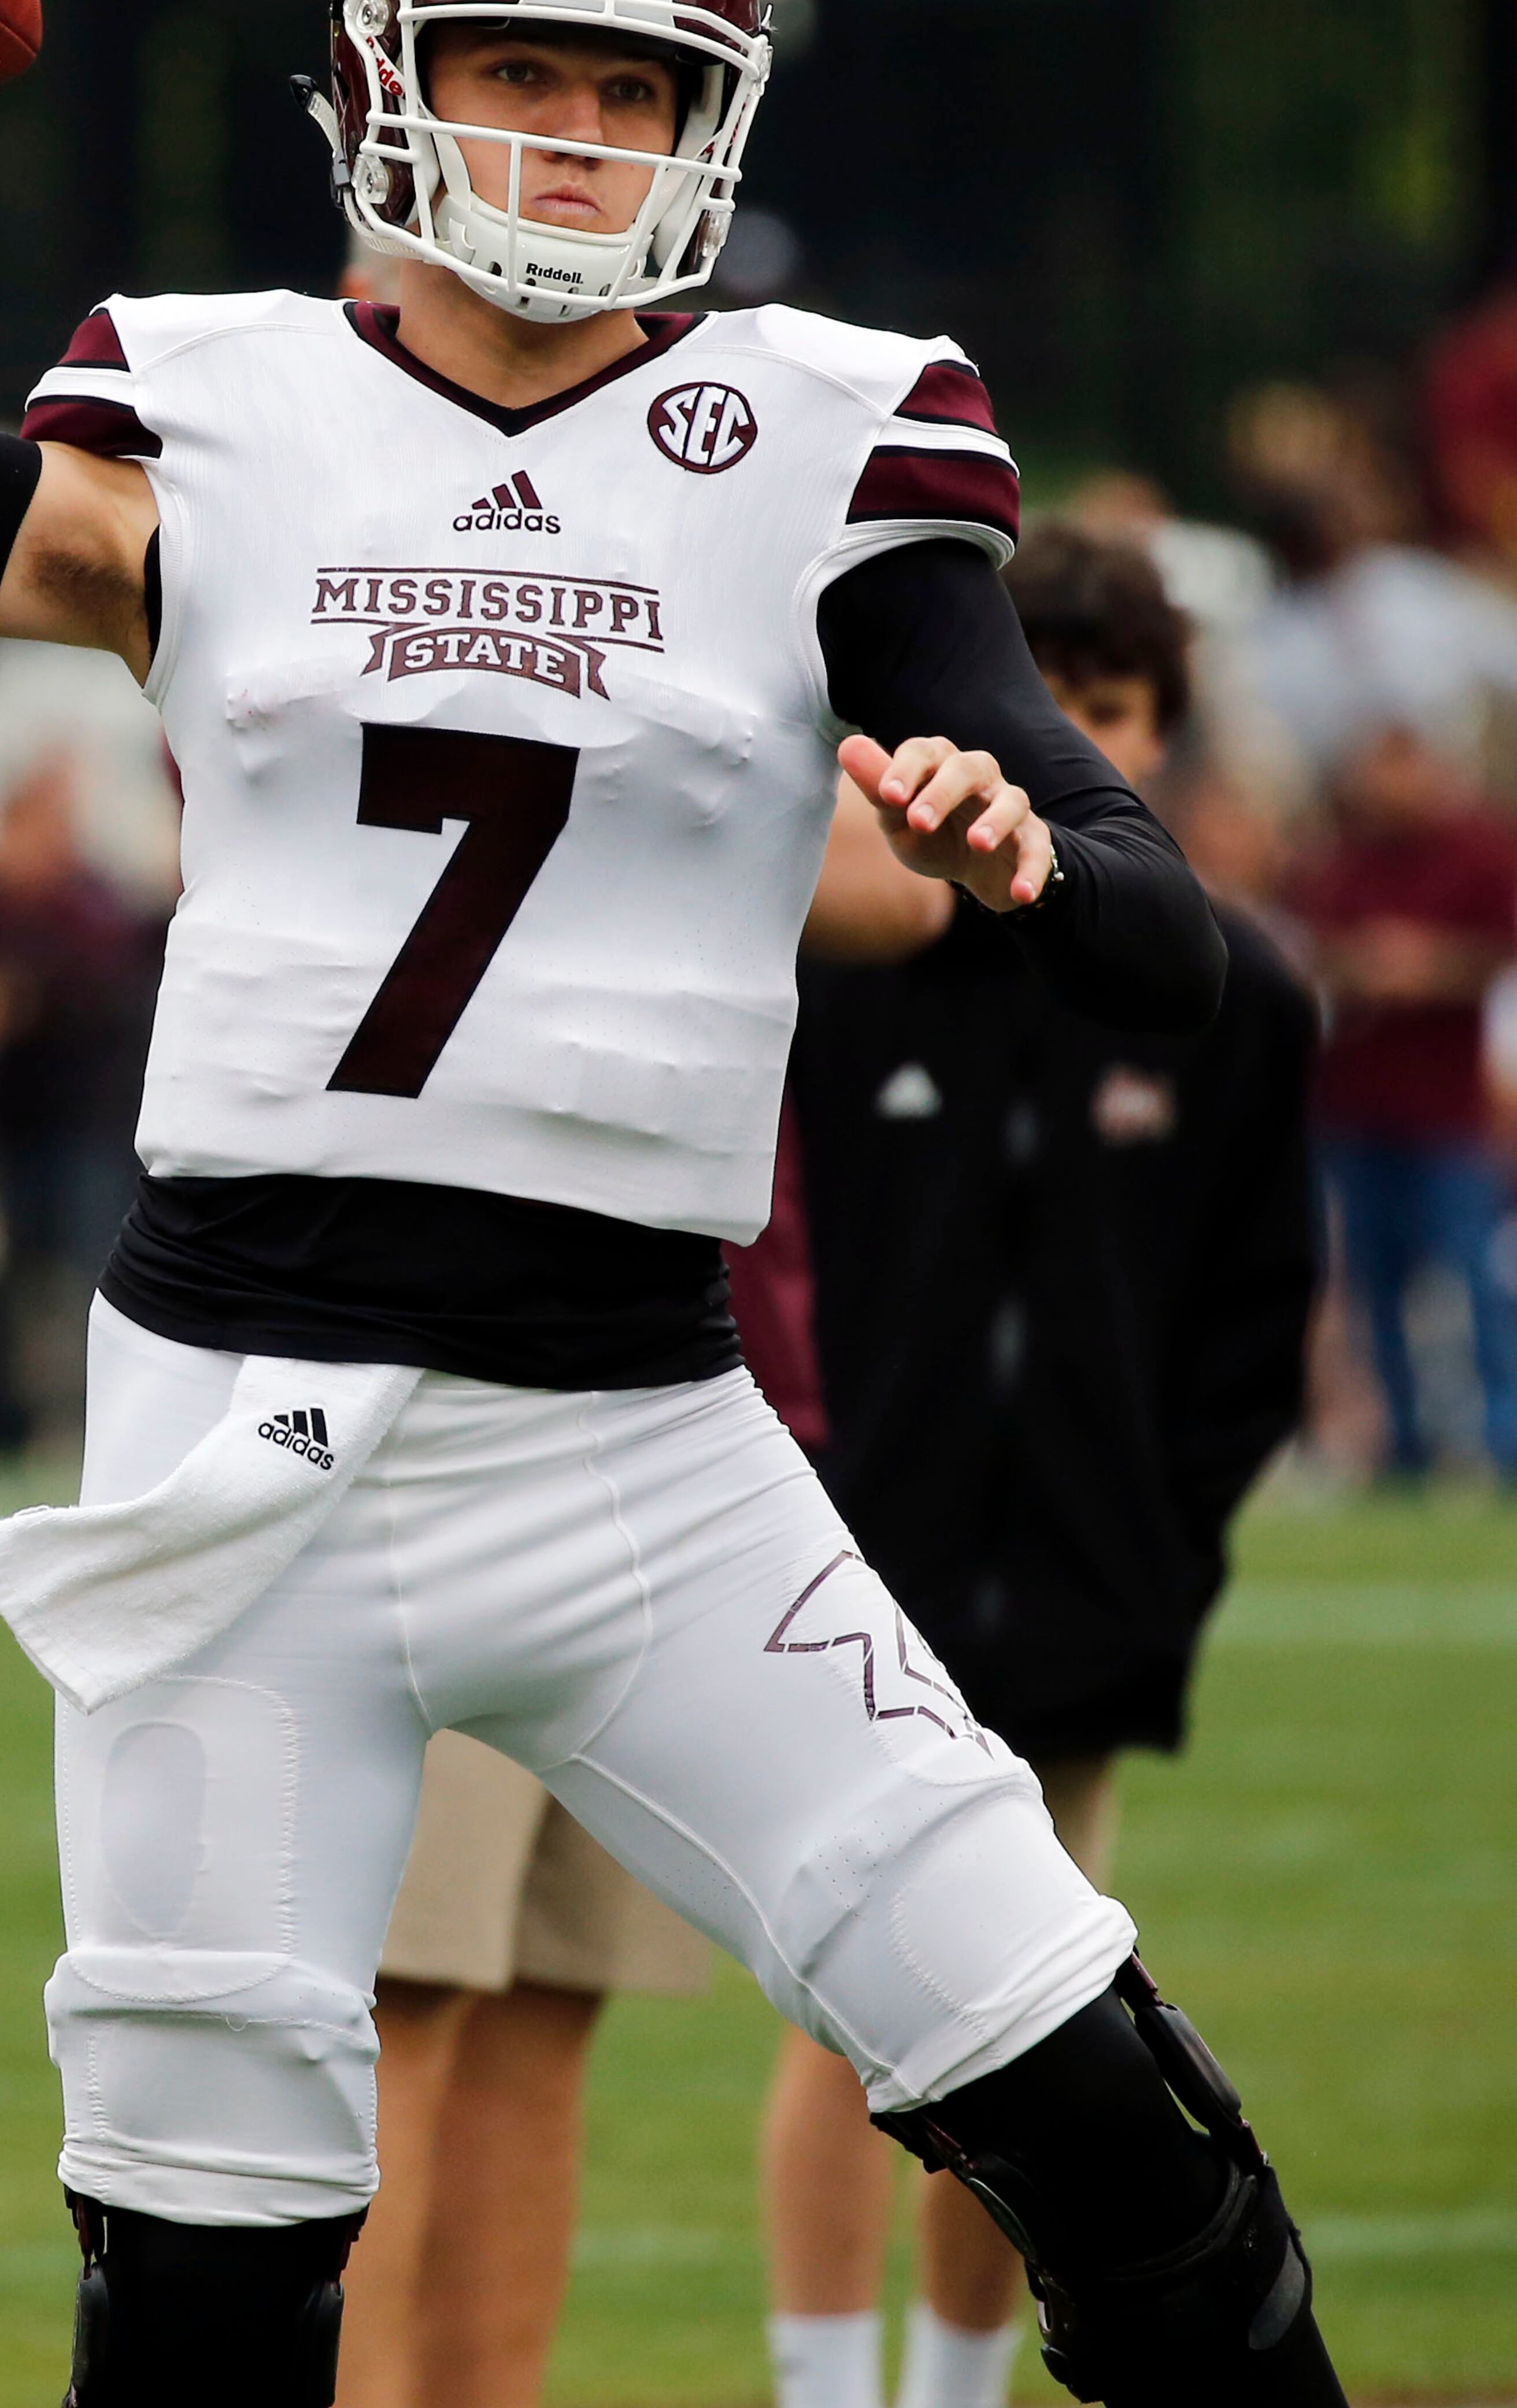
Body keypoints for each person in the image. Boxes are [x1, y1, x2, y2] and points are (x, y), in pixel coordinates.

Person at [0, 0, 1341, 2407]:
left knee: (1123, 2134)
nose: (566, 131)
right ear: (379, 82)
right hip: (243, 1458)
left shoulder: (824, 433)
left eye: (627, 89)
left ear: (707, 127)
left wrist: (1028, 847)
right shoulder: (209, 418)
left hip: (647, 1442)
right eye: (515, 63)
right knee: (199, 2257)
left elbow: (1157, 929)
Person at [760, 526, 1320, 2407]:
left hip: (1090, 1579)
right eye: (1041, 699)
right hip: (852, 1570)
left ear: (1154, 729)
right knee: (846, 2020)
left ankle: (961, 2386)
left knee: (1038, 2013)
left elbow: (1253, 1311)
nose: (1061, 739)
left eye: (1107, 708)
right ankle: (833, 2388)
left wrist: (1164, 1527)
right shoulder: (861, 960)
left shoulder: (1229, 992)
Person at [340, 780, 950, 2408]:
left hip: (681, 1391)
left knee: (546, 1997)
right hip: (457, 1383)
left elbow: (907, 892)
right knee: (401, 2000)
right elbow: (899, 880)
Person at [1286, 718, 1517, 1484]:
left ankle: (1503, 1440)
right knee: (1375, 1291)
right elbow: (1307, 952)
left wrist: (1424, 965)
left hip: (1447, 1115)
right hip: (1356, 1109)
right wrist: (1363, 966)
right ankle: (1406, 1449)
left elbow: (1496, 954)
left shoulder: (1478, 851)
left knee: (1475, 1282)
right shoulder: (1341, 860)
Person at [0, 758, 160, 1445]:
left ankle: (94, 1422)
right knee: (6, 1275)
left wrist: (15, 1001)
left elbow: (102, 991)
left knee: (93, 1270)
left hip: (85, 1121)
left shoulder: (88, 903)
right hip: (7, 1120)